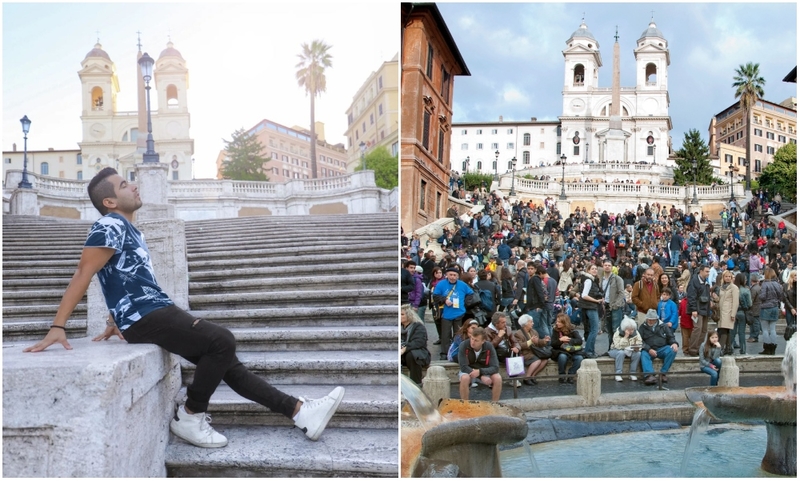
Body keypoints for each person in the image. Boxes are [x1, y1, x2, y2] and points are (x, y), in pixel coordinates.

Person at [23, 167, 344, 447]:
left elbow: (121, 276)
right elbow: (84, 272)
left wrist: (113, 315)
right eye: (124, 185)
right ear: (109, 202)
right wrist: (58, 326)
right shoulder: (110, 225)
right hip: (146, 314)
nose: (133, 186)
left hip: (149, 310)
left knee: (227, 361)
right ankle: (190, 416)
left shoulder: (131, 230)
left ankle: (300, 412)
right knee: (221, 341)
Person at [432, 267, 474, 361]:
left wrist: (466, 304)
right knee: (445, 335)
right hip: (446, 313)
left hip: (459, 313)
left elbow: (471, 293)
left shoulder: (462, 285)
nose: (452, 277)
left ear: (458, 276)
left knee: (458, 334)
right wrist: (444, 300)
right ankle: (444, 353)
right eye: (450, 275)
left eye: (454, 275)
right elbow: (435, 296)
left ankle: (458, 351)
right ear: (446, 275)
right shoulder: (441, 284)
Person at [457, 327, 502, 401]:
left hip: (484, 369)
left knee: (498, 378)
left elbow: (495, 367)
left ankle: (495, 404)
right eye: (472, 338)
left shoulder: (488, 346)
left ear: (483, 341)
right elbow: (463, 367)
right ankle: (464, 404)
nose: (472, 342)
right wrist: (481, 376)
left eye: (476, 340)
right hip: (468, 370)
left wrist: (480, 372)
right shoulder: (464, 345)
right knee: (464, 378)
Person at [638, 309, 679, 386]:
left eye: (652, 320)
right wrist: (648, 349)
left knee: (672, 350)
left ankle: (663, 373)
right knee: (643, 354)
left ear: (656, 319)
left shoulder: (663, 326)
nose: (650, 321)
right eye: (649, 320)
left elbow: (670, 337)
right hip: (648, 349)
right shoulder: (642, 327)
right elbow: (640, 341)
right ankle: (649, 375)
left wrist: (674, 343)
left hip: (662, 348)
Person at [758, 268, 790, 355]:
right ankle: (773, 347)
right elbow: (781, 296)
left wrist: (760, 295)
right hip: (775, 307)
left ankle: (767, 348)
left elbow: (763, 296)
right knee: (773, 329)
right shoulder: (777, 284)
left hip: (766, 307)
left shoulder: (765, 284)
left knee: (765, 329)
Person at [512, 314, 551, 385]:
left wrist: (544, 341)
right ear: (525, 324)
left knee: (545, 360)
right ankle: (527, 377)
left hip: (535, 352)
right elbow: (520, 345)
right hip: (525, 353)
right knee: (537, 361)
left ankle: (533, 375)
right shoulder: (518, 333)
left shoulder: (533, 331)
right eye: (531, 322)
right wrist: (530, 341)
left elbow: (538, 342)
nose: (533, 323)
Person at [686, 264, 713, 356]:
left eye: (708, 271)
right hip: (697, 309)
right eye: (706, 271)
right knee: (697, 328)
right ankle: (693, 349)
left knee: (704, 330)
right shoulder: (694, 281)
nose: (708, 273)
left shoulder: (706, 281)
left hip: (705, 309)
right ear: (700, 271)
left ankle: (699, 348)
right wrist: (693, 309)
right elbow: (691, 296)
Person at [400, 305, 430, 386]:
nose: (399, 316)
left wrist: (405, 348)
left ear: (409, 315)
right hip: (403, 354)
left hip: (418, 353)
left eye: (402, 314)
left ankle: (416, 383)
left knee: (412, 355)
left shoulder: (418, 326)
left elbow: (419, 342)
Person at [551, 313, 584, 384]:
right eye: (557, 321)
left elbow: (579, 341)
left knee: (579, 358)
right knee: (562, 357)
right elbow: (553, 344)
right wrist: (560, 340)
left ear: (564, 322)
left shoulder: (572, 329)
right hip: (561, 351)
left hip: (572, 351)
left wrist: (569, 340)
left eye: (559, 322)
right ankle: (562, 375)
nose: (557, 323)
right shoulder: (555, 330)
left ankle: (571, 375)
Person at [578, 264, 603, 358]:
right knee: (594, 330)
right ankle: (588, 351)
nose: (595, 270)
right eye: (592, 268)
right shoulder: (588, 280)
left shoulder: (591, 280)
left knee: (592, 329)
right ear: (588, 270)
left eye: (596, 268)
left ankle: (591, 351)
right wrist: (596, 301)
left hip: (590, 307)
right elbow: (584, 295)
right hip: (590, 307)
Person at [601, 259, 626, 351]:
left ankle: (617, 348)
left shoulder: (617, 279)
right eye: (605, 265)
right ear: (603, 266)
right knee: (609, 330)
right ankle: (610, 348)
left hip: (615, 307)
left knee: (616, 329)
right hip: (606, 306)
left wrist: (616, 304)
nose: (607, 267)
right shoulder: (601, 279)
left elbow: (621, 293)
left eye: (609, 265)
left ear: (612, 267)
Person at [607, 316, 642, 381]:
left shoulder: (636, 333)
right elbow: (618, 346)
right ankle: (618, 374)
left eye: (632, 329)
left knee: (638, 353)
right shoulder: (618, 333)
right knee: (621, 353)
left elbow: (639, 342)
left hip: (630, 351)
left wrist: (636, 347)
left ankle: (633, 373)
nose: (631, 331)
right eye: (629, 330)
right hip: (615, 350)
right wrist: (625, 337)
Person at [715, 270, 739, 355]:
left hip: (728, 311)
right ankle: (728, 348)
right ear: (723, 277)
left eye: (730, 276)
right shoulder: (721, 287)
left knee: (724, 329)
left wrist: (733, 314)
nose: (728, 278)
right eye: (726, 276)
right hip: (721, 311)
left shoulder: (734, 288)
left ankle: (720, 348)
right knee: (725, 330)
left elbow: (736, 302)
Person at [733, 273, 751, 355]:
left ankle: (730, 347)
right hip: (742, 312)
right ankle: (743, 349)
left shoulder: (732, 289)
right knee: (741, 332)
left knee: (732, 331)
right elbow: (750, 304)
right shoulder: (746, 290)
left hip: (733, 312)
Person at [747, 273, 763, 344]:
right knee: (756, 322)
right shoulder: (759, 287)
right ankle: (753, 336)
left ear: (751, 280)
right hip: (758, 307)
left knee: (755, 323)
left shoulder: (754, 289)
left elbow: (751, 299)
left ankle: (754, 336)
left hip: (754, 308)